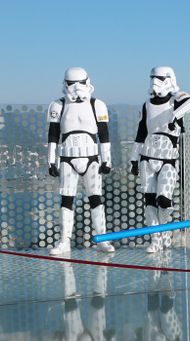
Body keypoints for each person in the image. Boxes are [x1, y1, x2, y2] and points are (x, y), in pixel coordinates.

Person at [130, 66, 190, 253]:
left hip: (169, 158)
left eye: (160, 78)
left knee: (164, 200)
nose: (155, 81)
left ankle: (166, 234)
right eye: (153, 77)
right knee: (150, 200)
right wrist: (133, 160)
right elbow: (140, 133)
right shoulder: (146, 105)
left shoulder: (176, 100)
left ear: (169, 79)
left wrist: (175, 116)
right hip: (147, 156)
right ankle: (156, 239)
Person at [47, 67, 115, 255]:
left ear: (88, 82)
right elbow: (53, 134)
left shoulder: (97, 105)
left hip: (91, 157)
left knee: (96, 198)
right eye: (72, 84)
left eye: (80, 83)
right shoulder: (58, 105)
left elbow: (104, 134)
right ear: (65, 84)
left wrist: (107, 160)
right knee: (66, 199)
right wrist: (51, 160)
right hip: (67, 157)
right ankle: (64, 241)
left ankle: (102, 239)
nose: (76, 88)